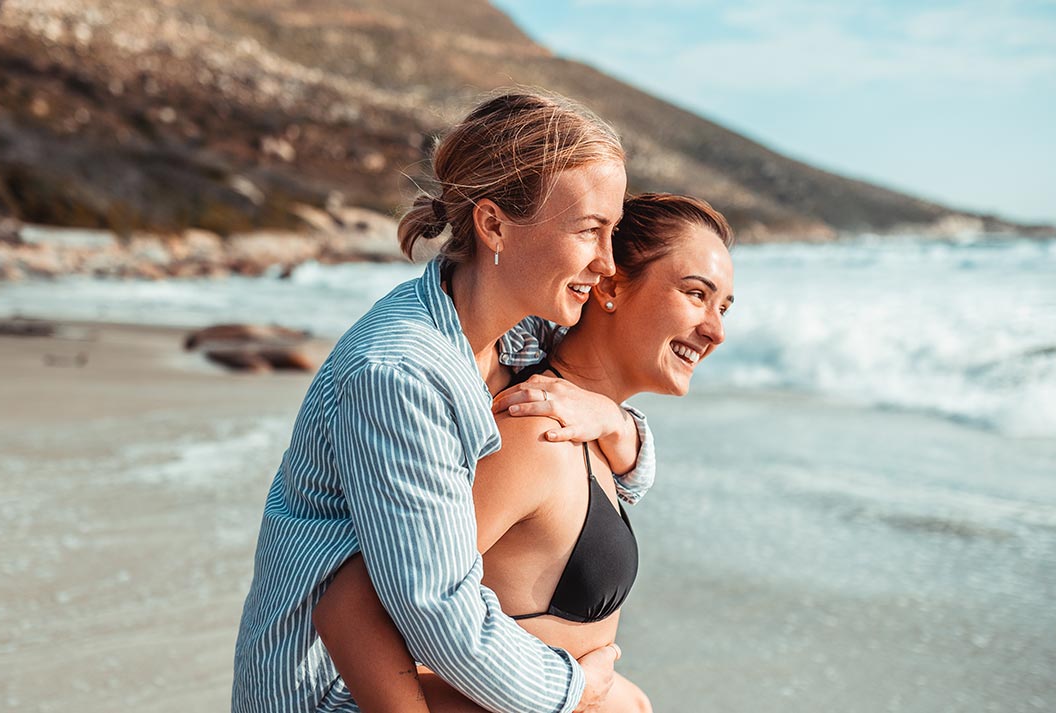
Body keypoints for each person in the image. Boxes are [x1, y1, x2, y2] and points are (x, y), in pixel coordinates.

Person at [232, 90, 659, 713]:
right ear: (494, 225)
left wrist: (621, 427)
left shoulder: (519, 336)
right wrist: (575, 691)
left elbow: (592, 481)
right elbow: (437, 608)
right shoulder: (400, 374)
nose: (605, 261)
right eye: (590, 230)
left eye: (613, 231)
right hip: (331, 692)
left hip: (419, 669)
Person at [311, 194, 737, 712]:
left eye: (723, 308)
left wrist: (619, 423)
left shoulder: (585, 426)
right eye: (696, 295)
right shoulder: (535, 431)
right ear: (609, 285)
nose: (716, 330)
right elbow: (354, 602)